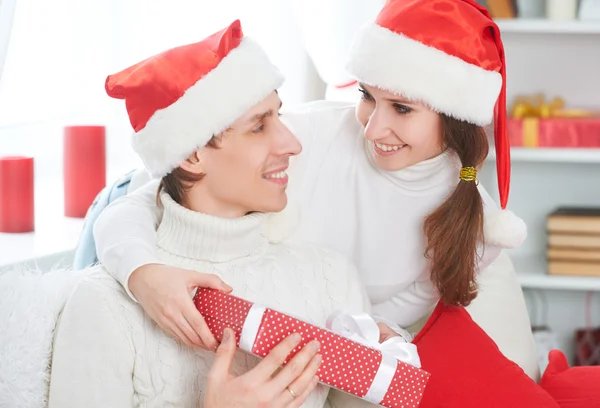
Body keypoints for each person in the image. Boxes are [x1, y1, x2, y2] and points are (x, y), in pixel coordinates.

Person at [92, 0, 535, 375]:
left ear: (452, 114)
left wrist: (371, 337)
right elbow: (140, 201)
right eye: (366, 97)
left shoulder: (475, 223)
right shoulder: (306, 136)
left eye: (401, 108)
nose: (374, 127)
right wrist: (141, 273)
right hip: (134, 216)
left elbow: (378, 318)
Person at [48, 20, 377, 408]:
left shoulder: (331, 281)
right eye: (259, 127)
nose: (291, 143)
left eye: (279, 117)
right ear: (191, 154)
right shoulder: (101, 305)